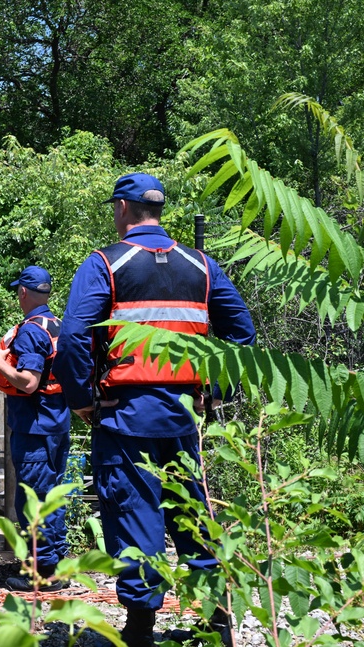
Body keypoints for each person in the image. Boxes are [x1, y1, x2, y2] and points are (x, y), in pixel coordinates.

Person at [52, 173, 256, 647]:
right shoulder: (201, 265)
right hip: (184, 416)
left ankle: (141, 630)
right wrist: (214, 391)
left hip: (126, 415)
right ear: (158, 210)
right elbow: (242, 334)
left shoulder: (106, 263)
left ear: (123, 209)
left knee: (133, 513)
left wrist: (82, 400)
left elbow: (73, 338)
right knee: (193, 515)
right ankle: (217, 626)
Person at [0, 265, 71, 592]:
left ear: (23, 292)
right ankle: (55, 564)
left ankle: (43, 573)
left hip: (34, 429)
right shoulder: (57, 324)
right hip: (56, 424)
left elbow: (29, 382)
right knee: (50, 497)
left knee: (32, 501)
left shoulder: (31, 331)